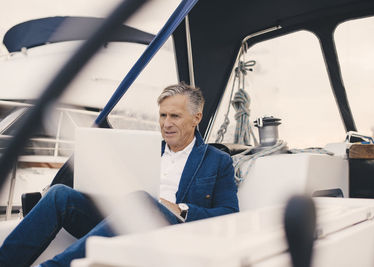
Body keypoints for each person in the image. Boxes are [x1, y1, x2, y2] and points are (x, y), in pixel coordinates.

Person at [0, 83, 239, 267]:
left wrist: (181, 209)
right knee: (59, 194)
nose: (166, 123)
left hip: (170, 233)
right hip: (121, 220)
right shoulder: (143, 148)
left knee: (143, 202)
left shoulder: (218, 161)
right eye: (162, 115)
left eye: (174, 116)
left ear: (196, 118)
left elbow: (230, 215)